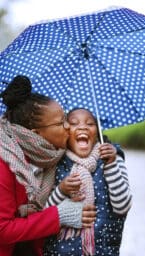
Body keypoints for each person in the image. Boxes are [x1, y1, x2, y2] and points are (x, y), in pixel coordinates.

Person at [0, 75, 96, 256]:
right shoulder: (4, 163)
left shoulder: (47, 157)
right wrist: (59, 215)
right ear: (36, 134)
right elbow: (2, 230)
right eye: (61, 122)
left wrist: (110, 152)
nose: (68, 127)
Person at [43, 108, 132, 256]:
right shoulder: (54, 163)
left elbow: (123, 207)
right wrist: (61, 191)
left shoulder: (113, 159)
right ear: (65, 132)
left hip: (104, 250)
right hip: (58, 251)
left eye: (90, 124)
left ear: (97, 133)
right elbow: (43, 216)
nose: (83, 127)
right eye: (73, 123)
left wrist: (111, 165)